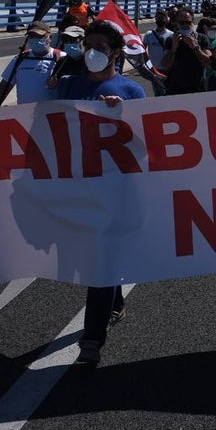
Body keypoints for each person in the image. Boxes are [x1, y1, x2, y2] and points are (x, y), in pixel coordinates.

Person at [58, 22, 147, 367]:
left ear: (115, 52)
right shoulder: (69, 86)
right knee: (96, 258)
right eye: (87, 44)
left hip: (117, 192)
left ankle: (91, 341)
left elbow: (145, 148)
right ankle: (116, 302)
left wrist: (120, 119)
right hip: (80, 188)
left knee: (100, 262)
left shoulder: (131, 91)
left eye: (98, 45)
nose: (91, 51)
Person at [0, 21, 63, 107]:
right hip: (25, 115)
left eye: (40, 36)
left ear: (50, 37)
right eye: (32, 37)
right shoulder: (20, 59)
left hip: (52, 116)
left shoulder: (60, 57)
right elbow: (3, 87)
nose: (36, 40)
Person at [160, 7, 212, 95]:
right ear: (177, 23)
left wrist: (195, 47)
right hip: (175, 87)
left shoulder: (202, 38)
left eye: (188, 22)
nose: (185, 25)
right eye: (181, 22)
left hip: (196, 87)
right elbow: (165, 64)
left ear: (192, 22)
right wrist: (173, 48)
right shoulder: (170, 39)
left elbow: (208, 63)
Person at [143, 10, 174, 80]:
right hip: (154, 69)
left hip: (167, 68)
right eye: (158, 18)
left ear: (166, 20)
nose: (159, 20)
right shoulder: (149, 34)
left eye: (162, 18)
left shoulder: (171, 35)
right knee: (157, 90)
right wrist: (148, 65)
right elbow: (143, 51)